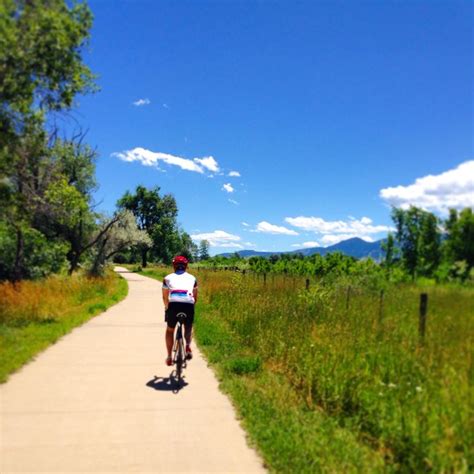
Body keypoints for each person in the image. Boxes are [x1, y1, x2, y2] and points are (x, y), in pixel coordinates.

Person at [162, 255, 198, 366]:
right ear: (186, 266)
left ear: (174, 266)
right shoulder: (193, 278)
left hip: (174, 304)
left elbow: (165, 297)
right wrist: (191, 306)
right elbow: (195, 297)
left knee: (170, 330)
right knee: (188, 326)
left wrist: (167, 308)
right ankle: (187, 345)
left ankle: (169, 357)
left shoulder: (167, 278)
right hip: (188, 304)